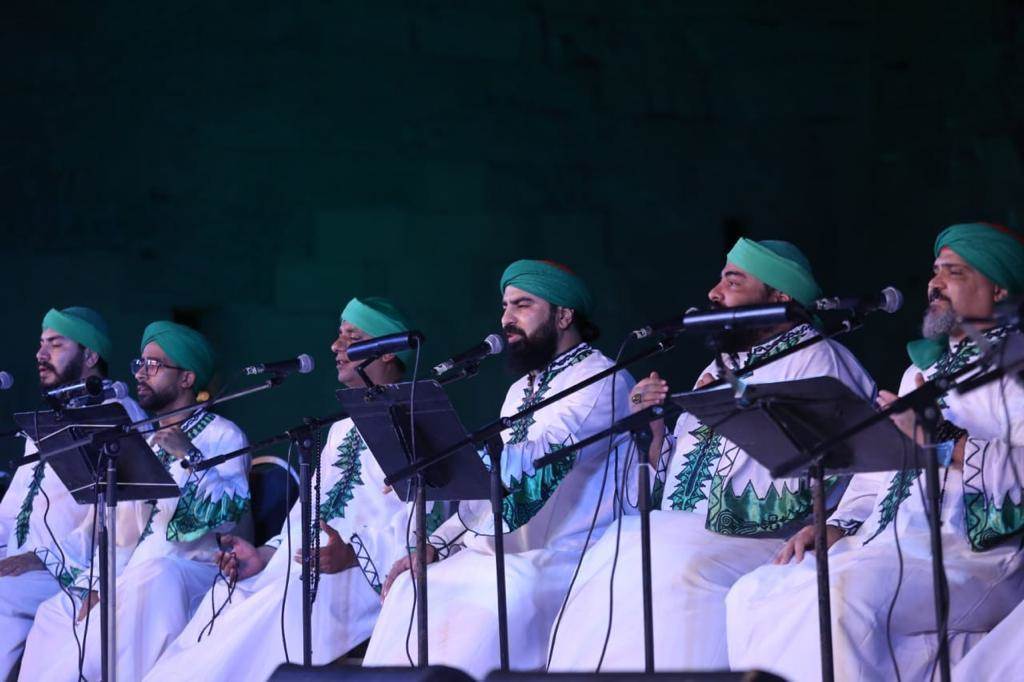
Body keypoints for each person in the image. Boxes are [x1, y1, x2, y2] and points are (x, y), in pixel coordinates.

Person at [547, 238, 875, 672]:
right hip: (685, 530)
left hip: (764, 541)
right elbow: (676, 484)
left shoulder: (819, 360)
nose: (713, 293)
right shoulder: (721, 367)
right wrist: (654, 430)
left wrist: (740, 410)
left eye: (732, 282)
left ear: (779, 297)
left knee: (666, 560)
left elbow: (836, 472)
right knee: (616, 548)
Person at [726, 223, 1024, 681]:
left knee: (843, 599)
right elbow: (877, 468)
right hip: (884, 543)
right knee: (754, 592)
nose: (935, 283)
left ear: (999, 289)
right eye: (935, 271)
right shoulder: (921, 370)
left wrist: (942, 438)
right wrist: (837, 524)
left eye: (954, 272)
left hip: (968, 556)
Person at [146, 297, 448, 681]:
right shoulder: (340, 428)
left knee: (267, 613)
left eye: (352, 337)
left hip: (364, 577)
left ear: (388, 352)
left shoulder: (417, 419)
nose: (335, 346)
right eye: (338, 335)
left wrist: (354, 554)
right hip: (304, 569)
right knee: (226, 598)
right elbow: (307, 510)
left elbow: (428, 521)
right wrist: (266, 554)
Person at [363, 260, 634, 678]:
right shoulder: (520, 389)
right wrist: (435, 543)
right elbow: (487, 490)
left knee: (491, 598)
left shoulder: (603, 379)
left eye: (522, 305)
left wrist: (445, 454)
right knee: (410, 588)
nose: (506, 319)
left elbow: (539, 460)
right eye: (505, 306)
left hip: (565, 554)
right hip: (499, 554)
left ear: (564, 315)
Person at [20, 321, 250, 681]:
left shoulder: (224, 434)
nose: (141, 373)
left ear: (187, 378)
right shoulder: (141, 439)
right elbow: (119, 531)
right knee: (56, 611)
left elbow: (227, 515)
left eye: (153, 365)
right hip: (131, 575)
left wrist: (189, 456)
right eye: (139, 364)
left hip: (188, 570)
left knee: (155, 576)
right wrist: (97, 585)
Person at [0, 307, 145, 679]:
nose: (40, 354)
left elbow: (122, 519)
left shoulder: (117, 416)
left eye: (55, 344)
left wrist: (43, 558)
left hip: (67, 571)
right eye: (41, 343)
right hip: (16, 566)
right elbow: (10, 511)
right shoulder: (48, 418)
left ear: (90, 355)